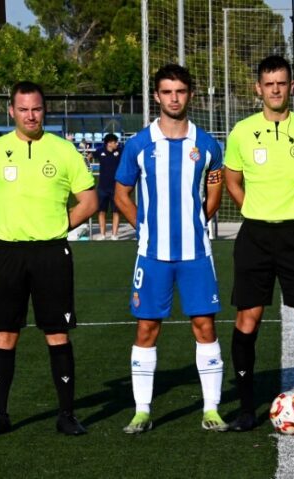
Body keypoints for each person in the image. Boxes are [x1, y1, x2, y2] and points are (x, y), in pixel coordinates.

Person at [0, 80, 98, 437]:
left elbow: (89, 201)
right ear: (11, 110)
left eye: (36, 108)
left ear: (45, 109)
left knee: (57, 333)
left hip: (51, 253)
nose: (30, 115)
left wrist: (59, 226)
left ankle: (67, 414)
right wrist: (1, 231)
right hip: (8, 252)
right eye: (23, 109)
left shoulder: (64, 150)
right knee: (5, 333)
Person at [114, 64, 227, 434]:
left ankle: (211, 408)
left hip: (196, 253)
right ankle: (142, 410)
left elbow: (214, 192)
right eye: (167, 92)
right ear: (157, 96)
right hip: (152, 254)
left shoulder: (207, 145)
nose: (174, 98)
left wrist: (195, 222)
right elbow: (121, 194)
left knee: (203, 324)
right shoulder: (139, 144)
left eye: (180, 91)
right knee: (147, 328)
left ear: (190, 94)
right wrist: (145, 226)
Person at [224, 55, 294, 432]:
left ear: (292, 87)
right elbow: (232, 180)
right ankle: (246, 409)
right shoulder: (240, 131)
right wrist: (251, 208)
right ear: (258, 88)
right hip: (254, 236)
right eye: (268, 83)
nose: (275, 89)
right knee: (247, 320)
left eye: (281, 83)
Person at [95, 133, 122, 240]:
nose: (117, 144)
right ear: (109, 143)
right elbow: (88, 157)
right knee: (102, 211)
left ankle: (114, 235)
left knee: (116, 211)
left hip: (116, 187)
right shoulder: (100, 151)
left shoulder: (120, 151)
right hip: (102, 187)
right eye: (115, 142)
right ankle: (102, 234)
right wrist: (87, 169)